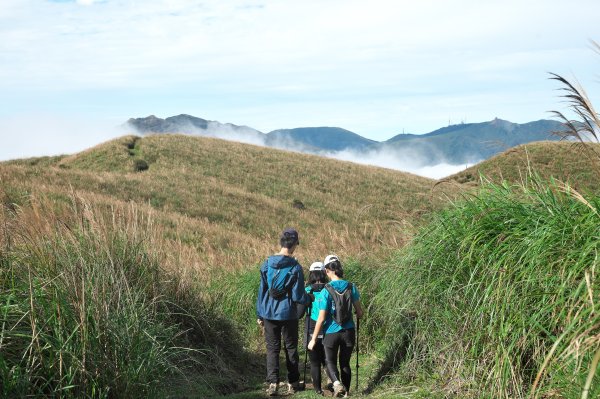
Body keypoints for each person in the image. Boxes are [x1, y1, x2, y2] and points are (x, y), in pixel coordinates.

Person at [256, 228, 312, 396]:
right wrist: (309, 299)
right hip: (288, 313)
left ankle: (273, 384)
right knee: (291, 347)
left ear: (281, 242)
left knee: (272, 348)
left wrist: (260, 314)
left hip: (268, 312)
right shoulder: (295, 267)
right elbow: (298, 295)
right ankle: (293, 382)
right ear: (294, 244)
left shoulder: (267, 264)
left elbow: (262, 291)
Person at [308, 255, 364, 398]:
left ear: (327, 271)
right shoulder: (352, 287)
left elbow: (320, 318)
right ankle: (346, 393)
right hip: (348, 331)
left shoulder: (326, 290)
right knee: (345, 363)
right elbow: (360, 312)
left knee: (329, 361)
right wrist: (356, 314)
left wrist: (313, 339)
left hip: (331, 332)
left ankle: (337, 383)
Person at [298, 261, 335, 396]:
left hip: (311, 328)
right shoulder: (330, 288)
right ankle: (333, 383)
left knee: (314, 362)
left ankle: (318, 390)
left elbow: (300, 313)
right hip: (329, 328)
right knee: (328, 359)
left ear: (311, 274)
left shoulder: (307, 290)